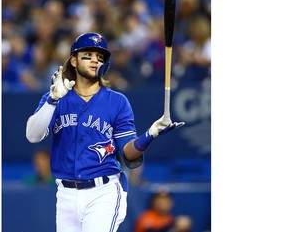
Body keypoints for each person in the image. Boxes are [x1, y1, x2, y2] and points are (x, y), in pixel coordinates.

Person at [25, 32, 184, 232]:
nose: (94, 60)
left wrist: (150, 135)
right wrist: (52, 100)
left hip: (103, 191)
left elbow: (128, 152)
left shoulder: (117, 102)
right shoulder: (56, 97)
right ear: (73, 60)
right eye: (88, 55)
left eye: (100, 58)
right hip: (65, 194)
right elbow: (33, 135)